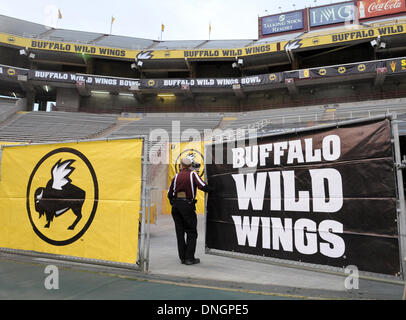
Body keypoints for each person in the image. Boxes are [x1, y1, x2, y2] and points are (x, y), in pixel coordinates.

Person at [167, 156, 213, 265]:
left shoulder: (176, 176)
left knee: (180, 232)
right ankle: (189, 258)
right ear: (190, 165)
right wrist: (214, 189)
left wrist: (174, 204)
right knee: (191, 232)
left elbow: (169, 193)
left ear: (181, 165)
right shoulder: (193, 174)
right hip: (187, 205)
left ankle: (182, 257)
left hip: (176, 206)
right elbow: (203, 186)